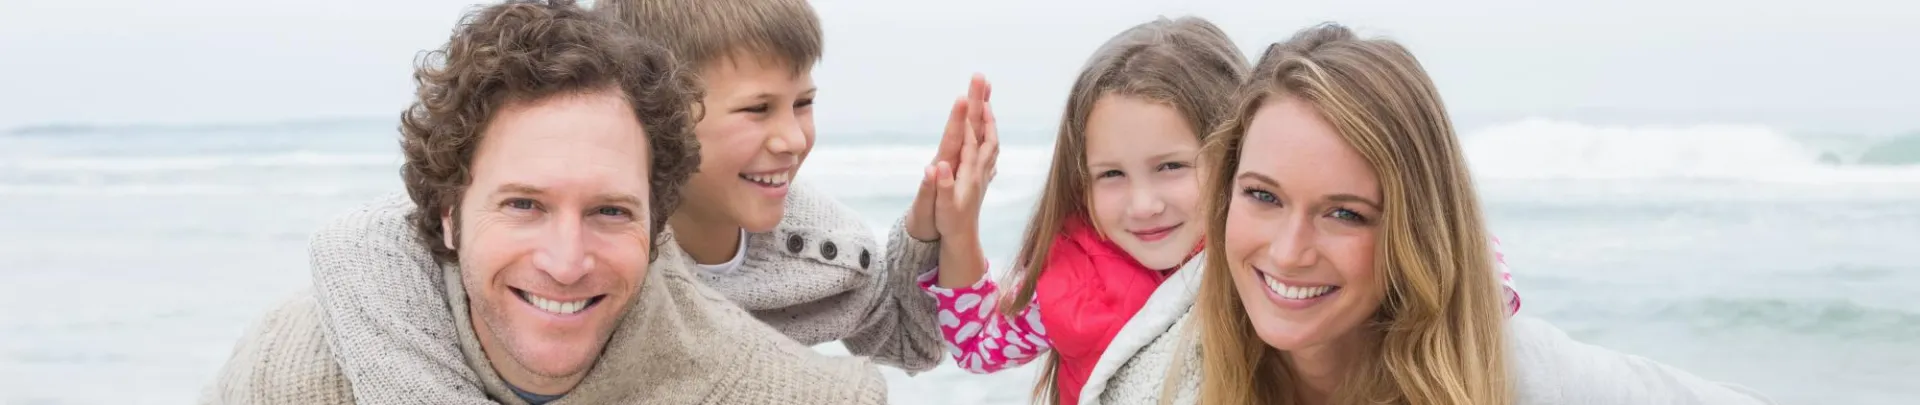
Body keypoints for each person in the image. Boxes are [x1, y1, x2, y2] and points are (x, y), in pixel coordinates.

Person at [199, 1, 886, 403]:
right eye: (524, 205)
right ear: (449, 212)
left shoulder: (742, 371)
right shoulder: (303, 370)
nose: (565, 261)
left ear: (656, 225)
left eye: (610, 210)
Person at [1161, 23, 1776, 404]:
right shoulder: (1168, 373)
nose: (1290, 250)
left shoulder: (1517, 374)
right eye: (1263, 197)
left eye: (1345, 214)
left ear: (1413, 230)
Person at [920, 17, 1522, 405]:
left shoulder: (1269, 261)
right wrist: (959, 227)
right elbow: (981, 345)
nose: (1144, 204)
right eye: (1111, 175)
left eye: (1172, 167)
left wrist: (1468, 277)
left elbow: (1456, 253)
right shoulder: (1070, 274)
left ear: (1235, 156)